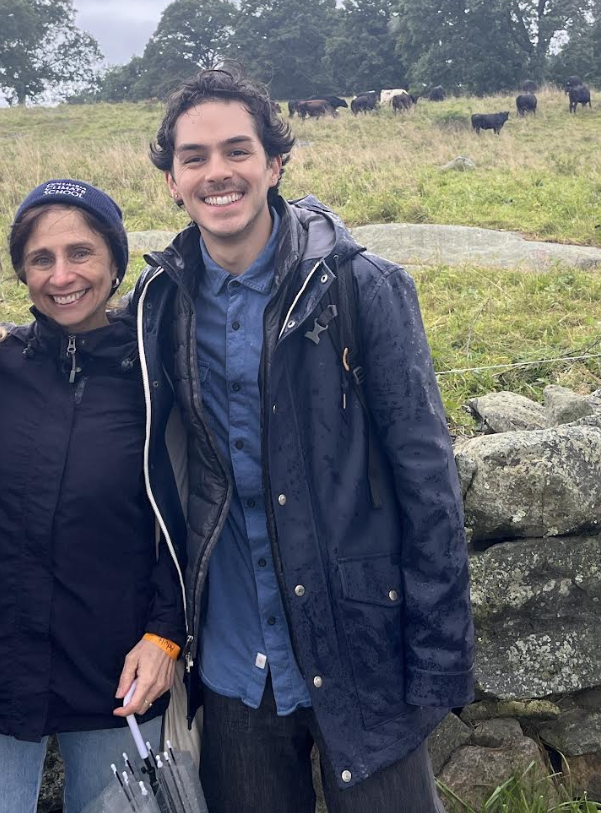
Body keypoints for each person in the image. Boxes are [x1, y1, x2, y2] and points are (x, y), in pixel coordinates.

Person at [130, 67, 475, 812]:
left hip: (359, 643)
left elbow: (427, 479)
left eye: (237, 151)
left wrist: (439, 658)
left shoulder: (361, 287)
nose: (217, 172)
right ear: (172, 181)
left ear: (275, 164)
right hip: (232, 664)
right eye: (194, 158)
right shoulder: (161, 303)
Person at [0, 179, 187, 813]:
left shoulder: (159, 372)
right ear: (21, 272)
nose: (62, 275)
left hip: (120, 666)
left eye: (81, 253)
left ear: (115, 261)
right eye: (42, 259)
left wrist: (166, 635)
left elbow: (192, 510)